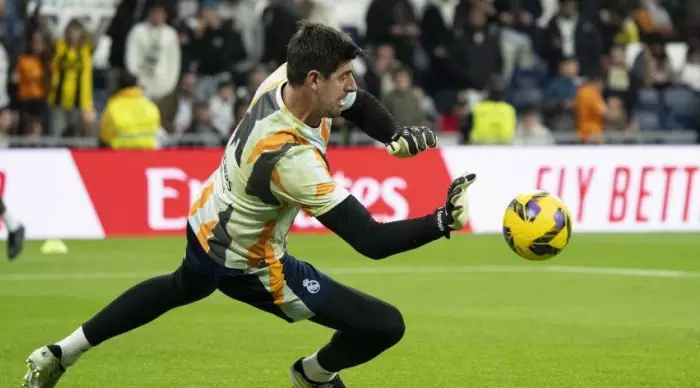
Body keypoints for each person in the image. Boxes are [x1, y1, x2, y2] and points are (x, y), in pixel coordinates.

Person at [23, 22, 476, 388]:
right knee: (385, 325)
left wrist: (394, 133)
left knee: (182, 284)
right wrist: (440, 221)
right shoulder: (289, 158)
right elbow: (370, 240)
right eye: (344, 77)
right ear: (315, 80)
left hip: (207, 219)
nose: (352, 86)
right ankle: (312, 374)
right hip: (249, 265)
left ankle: (62, 351)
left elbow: (357, 105)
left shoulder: (288, 77)